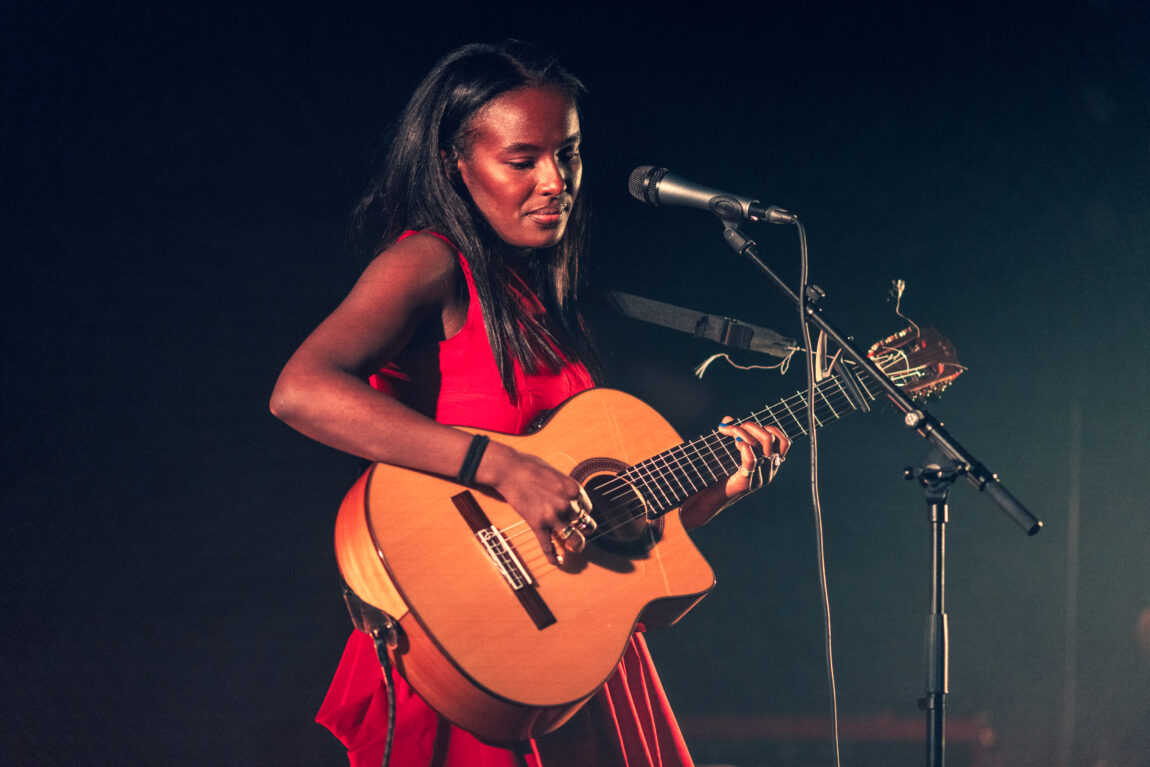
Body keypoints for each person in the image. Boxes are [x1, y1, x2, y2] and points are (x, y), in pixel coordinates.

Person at [270, 40, 790, 767]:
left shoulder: (543, 297)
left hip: (566, 650)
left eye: (569, 155)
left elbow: (582, 508)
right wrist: (500, 466)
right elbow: (300, 390)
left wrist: (698, 500)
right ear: (458, 162)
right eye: (524, 161)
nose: (556, 181)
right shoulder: (429, 261)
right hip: (469, 637)